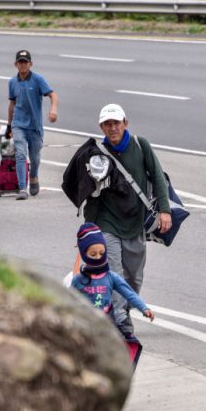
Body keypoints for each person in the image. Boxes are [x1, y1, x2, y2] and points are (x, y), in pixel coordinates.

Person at [83, 103, 170, 337]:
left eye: (116, 123)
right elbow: (91, 194)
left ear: (125, 123)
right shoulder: (97, 153)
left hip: (134, 222)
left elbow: (158, 177)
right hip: (107, 222)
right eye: (107, 124)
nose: (112, 128)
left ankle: (124, 309)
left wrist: (165, 210)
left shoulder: (140, 146)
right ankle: (121, 319)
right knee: (115, 272)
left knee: (134, 275)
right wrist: (89, 231)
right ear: (101, 127)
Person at [70, 222, 155, 325]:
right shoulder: (79, 280)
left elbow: (129, 293)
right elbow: (66, 301)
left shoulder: (111, 277)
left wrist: (143, 308)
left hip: (108, 327)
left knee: (130, 340)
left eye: (102, 253)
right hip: (86, 327)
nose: (98, 258)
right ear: (84, 254)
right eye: (93, 254)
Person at [7, 49, 58, 200]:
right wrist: (9, 125)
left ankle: (34, 176)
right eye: (20, 62)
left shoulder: (38, 80)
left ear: (30, 64)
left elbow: (53, 95)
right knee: (21, 154)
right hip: (18, 124)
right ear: (15, 64)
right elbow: (12, 104)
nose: (23, 65)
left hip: (35, 126)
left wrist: (53, 109)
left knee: (34, 157)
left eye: (25, 62)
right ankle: (23, 188)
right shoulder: (12, 82)